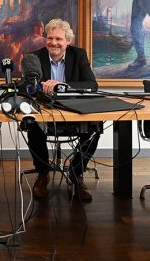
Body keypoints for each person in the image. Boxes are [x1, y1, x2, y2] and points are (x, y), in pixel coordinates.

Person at [25, 19, 102, 202]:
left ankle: (76, 173)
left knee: (96, 126)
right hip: (45, 114)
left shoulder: (79, 55)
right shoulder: (35, 57)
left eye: (59, 39)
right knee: (32, 124)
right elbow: (25, 87)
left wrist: (63, 86)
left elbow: (92, 85)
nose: (53, 43)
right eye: (50, 38)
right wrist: (36, 87)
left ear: (68, 41)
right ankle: (43, 173)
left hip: (74, 112)